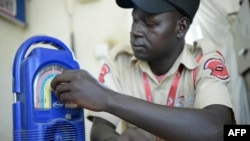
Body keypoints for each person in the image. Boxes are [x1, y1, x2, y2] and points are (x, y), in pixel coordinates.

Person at [51, 0, 236, 140]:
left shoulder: (205, 59)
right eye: (135, 20)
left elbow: (219, 130)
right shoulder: (120, 62)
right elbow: (100, 128)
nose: (136, 31)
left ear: (181, 27)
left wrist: (107, 98)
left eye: (149, 24)